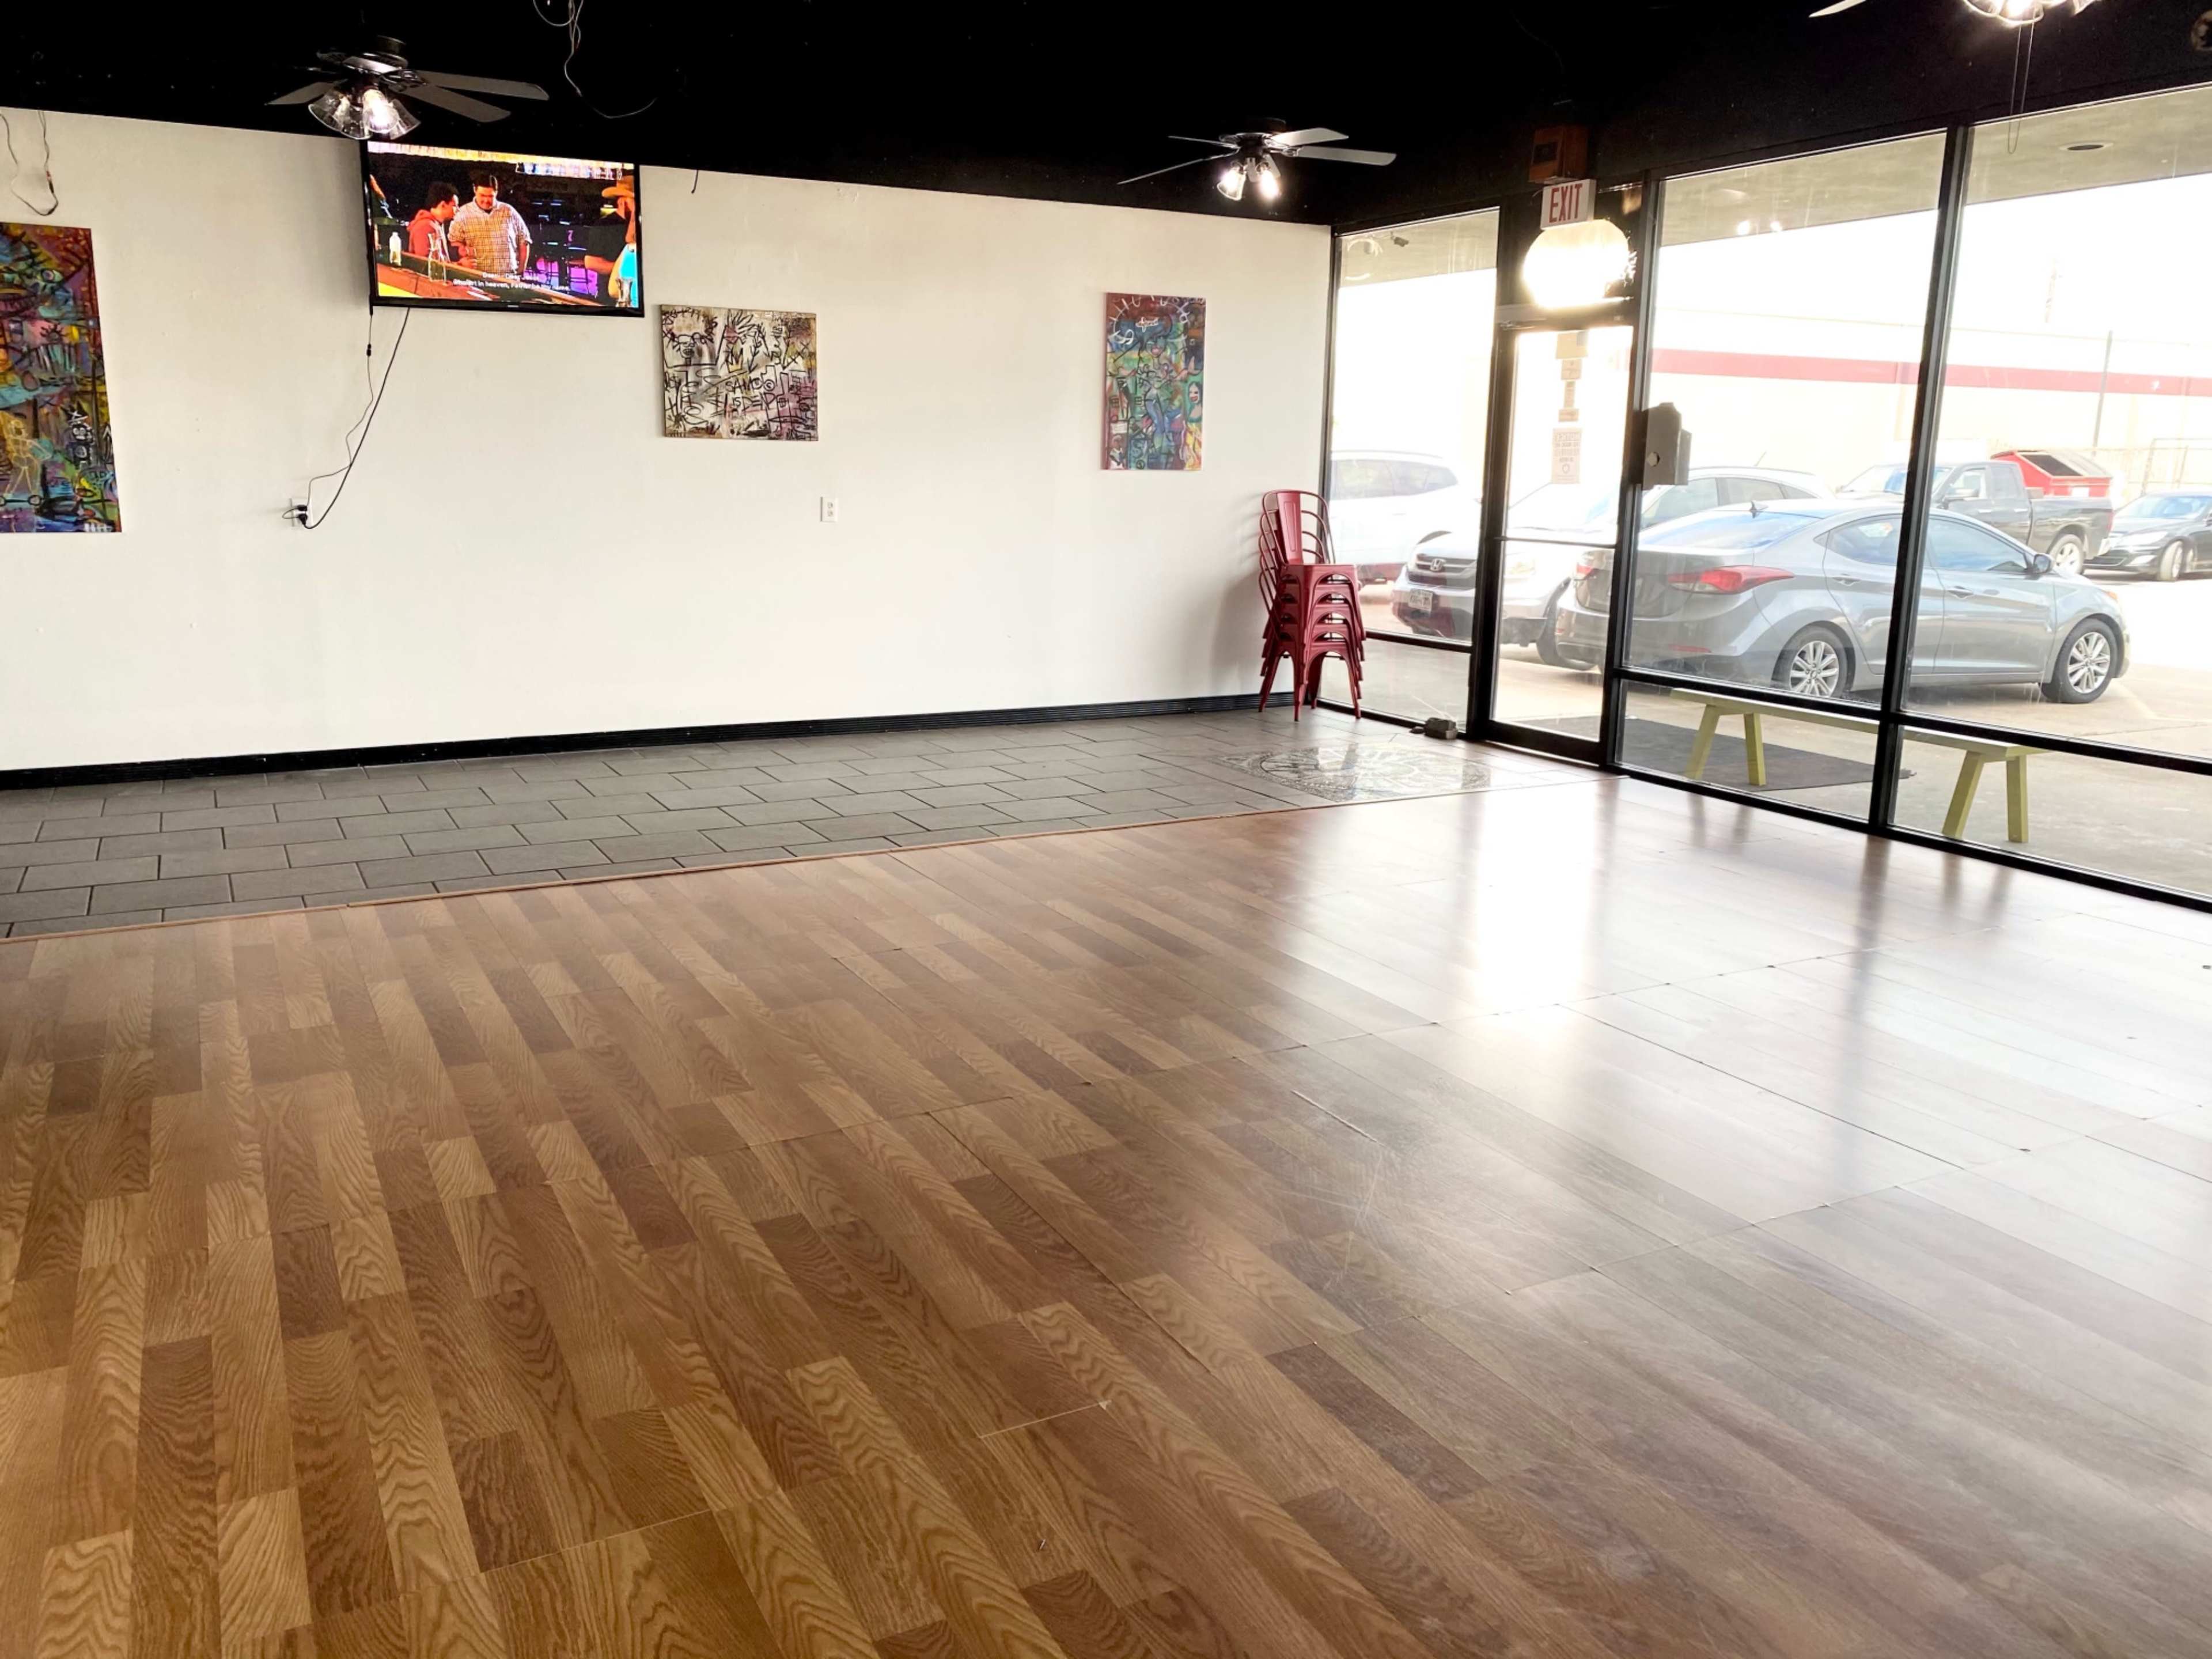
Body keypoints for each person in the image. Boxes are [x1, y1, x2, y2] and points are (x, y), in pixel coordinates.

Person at [449, 169, 531, 279]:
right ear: (475, 190)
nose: (486, 200)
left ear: (496, 193)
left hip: (508, 278)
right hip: (476, 278)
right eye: (482, 195)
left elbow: (524, 240)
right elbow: (454, 243)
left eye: (490, 196)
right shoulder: (462, 214)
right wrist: (462, 262)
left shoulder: (509, 211)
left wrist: (521, 270)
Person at [583, 176, 639, 306]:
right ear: (622, 202)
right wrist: (624, 269)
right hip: (612, 296)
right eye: (634, 201)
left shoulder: (640, 224)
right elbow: (591, 263)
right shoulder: (604, 225)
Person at [406, 181, 457, 263]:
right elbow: (425, 264)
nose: (458, 210)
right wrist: (459, 265)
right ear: (443, 205)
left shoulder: (436, 224)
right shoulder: (425, 227)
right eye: (454, 206)